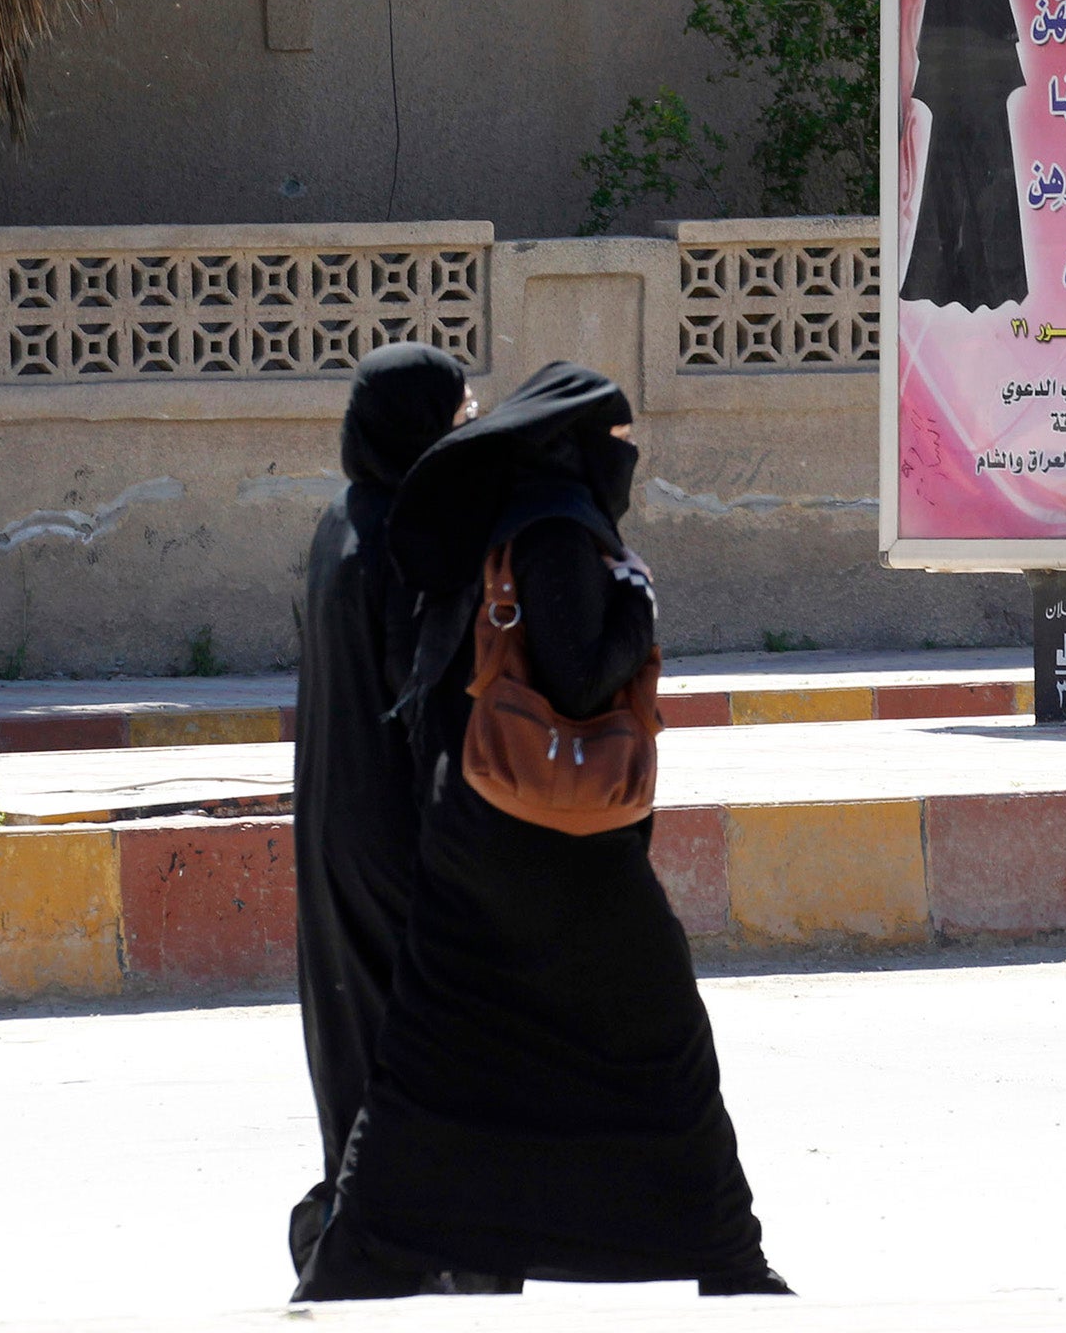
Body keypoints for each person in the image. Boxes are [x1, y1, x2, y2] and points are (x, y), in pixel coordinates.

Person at [292, 362, 790, 1301]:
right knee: (633, 1051)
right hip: (452, 843)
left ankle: (363, 1254)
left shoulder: (377, 528)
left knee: (412, 1063)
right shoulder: (521, 532)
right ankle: (724, 1263)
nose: (630, 455)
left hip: (382, 835)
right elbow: (551, 674)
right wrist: (636, 604)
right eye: (619, 438)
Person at [289, 343, 474, 1274]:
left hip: (330, 822)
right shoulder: (403, 536)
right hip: (393, 831)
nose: (470, 425)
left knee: (354, 1031)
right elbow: (420, 695)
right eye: (457, 413)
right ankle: (380, 1243)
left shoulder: (340, 522)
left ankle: (354, 1222)